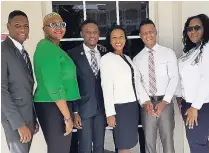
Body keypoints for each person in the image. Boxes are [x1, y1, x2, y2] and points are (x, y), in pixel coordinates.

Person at [33, 12, 80, 153]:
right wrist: (67, 117)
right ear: (44, 29)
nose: (59, 27)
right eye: (53, 24)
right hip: (53, 105)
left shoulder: (54, 48)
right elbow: (54, 85)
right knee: (59, 150)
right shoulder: (46, 48)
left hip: (57, 105)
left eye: (61, 24)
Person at [176, 14, 209, 153]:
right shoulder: (193, 49)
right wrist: (180, 98)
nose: (193, 31)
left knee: (197, 143)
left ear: (205, 28)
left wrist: (195, 107)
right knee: (197, 143)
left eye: (197, 27)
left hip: (204, 104)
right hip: (189, 103)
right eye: (189, 29)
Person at [133, 18, 178, 153]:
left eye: (151, 31)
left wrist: (165, 102)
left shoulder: (168, 53)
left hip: (165, 102)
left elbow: (174, 77)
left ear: (156, 32)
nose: (148, 35)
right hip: (147, 105)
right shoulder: (137, 59)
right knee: (149, 143)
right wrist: (145, 102)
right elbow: (138, 83)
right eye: (144, 33)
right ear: (141, 36)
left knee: (168, 141)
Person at [1, 10, 39, 153]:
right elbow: (1, 91)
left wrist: (32, 117)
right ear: (8, 26)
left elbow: (26, 87)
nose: (23, 29)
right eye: (17, 25)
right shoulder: (3, 52)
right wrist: (19, 124)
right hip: (15, 119)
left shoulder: (21, 51)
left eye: (26, 26)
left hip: (27, 115)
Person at [67, 19, 107, 153]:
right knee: (84, 147)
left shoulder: (105, 53)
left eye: (95, 32)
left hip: (101, 108)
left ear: (99, 34)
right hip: (82, 109)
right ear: (81, 34)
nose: (92, 35)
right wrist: (75, 112)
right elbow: (70, 84)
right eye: (88, 32)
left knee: (99, 146)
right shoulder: (72, 55)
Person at [100, 25, 139, 153]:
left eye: (121, 37)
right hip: (120, 108)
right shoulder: (107, 59)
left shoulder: (127, 58)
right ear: (110, 41)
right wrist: (110, 113)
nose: (118, 40)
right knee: (123, 145)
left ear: (125, 39)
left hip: (132, 106)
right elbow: (106, 87)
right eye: (114, 37)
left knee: (129, 143)